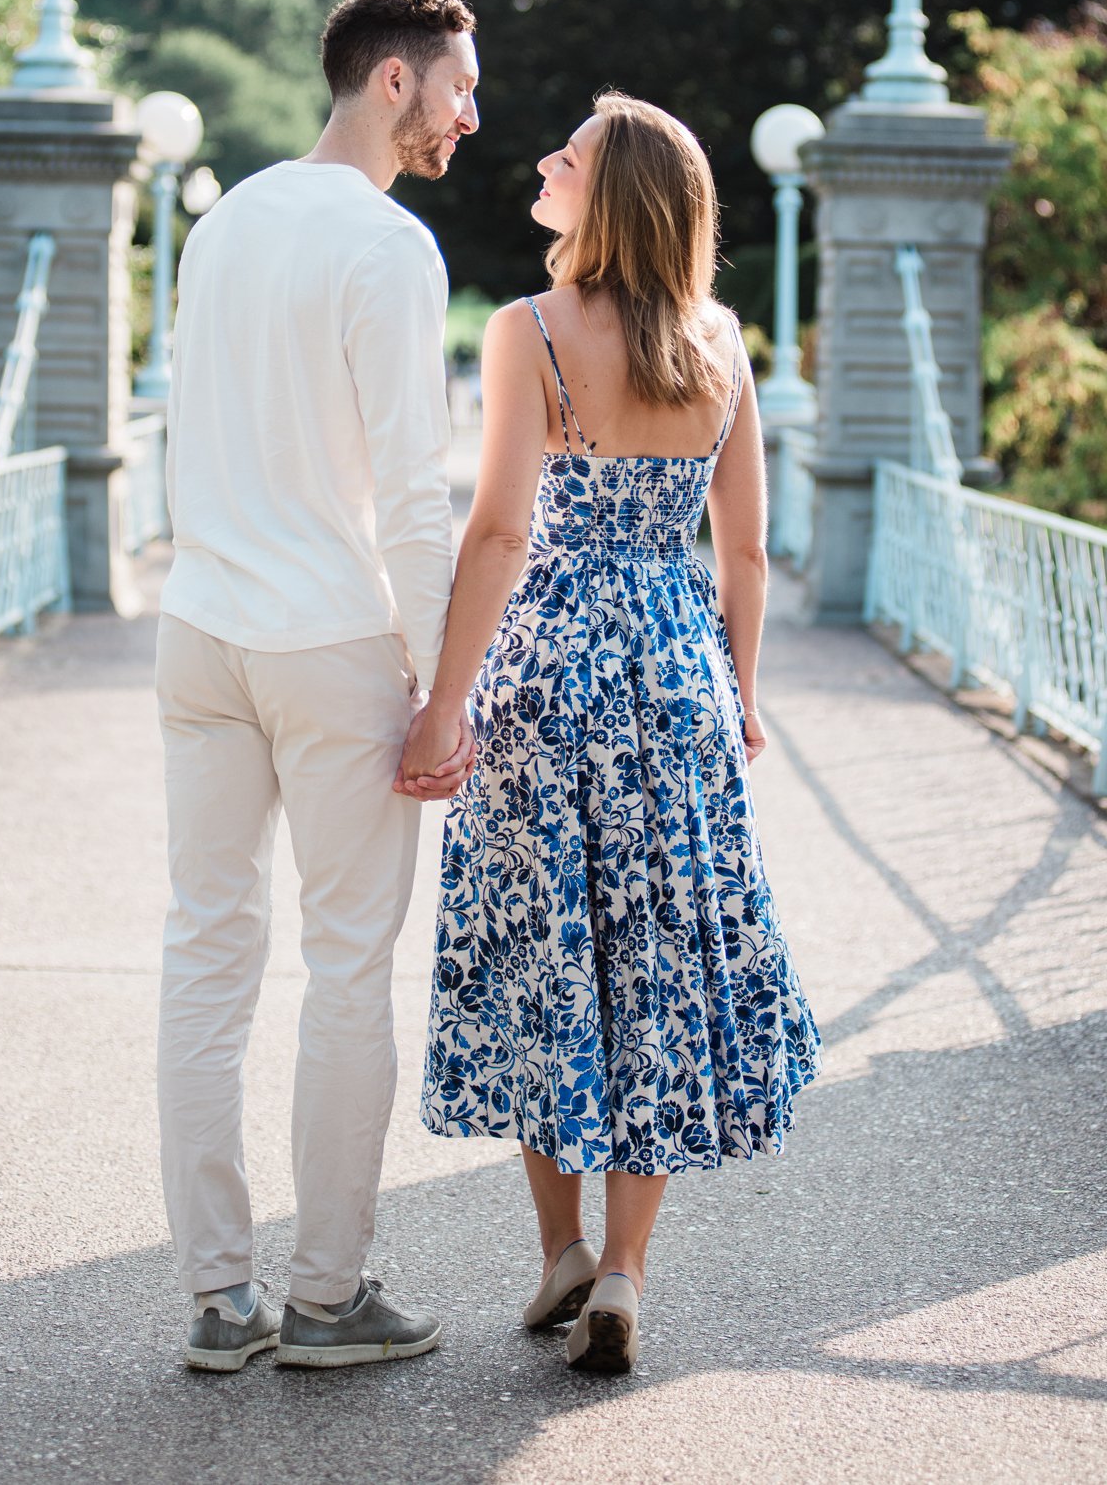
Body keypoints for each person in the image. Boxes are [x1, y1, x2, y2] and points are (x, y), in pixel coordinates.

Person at [405, 91, 821, 1377]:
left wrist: (444, 697)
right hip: (674, 671)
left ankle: (561, 1253)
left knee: (544, 955)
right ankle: (627, 1273)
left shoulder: (527, 330)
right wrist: (739, 692)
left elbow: (499, 532)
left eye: (567, 156)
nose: (543, 160)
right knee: (653, 969)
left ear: (610, 193)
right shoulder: (721, 347)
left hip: (546, 673)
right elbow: (741, 551)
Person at [156, 0, 480, 1373]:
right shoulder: (388, 245)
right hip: (329, 640)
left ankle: (218, 1300)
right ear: (393, 82)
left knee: (204, 956)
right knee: (348, 969)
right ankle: (329, 1296)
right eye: (460, 86)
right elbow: (415, 495)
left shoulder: (221, 219)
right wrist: (441, 682)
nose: (475, 113)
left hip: (200, 630)